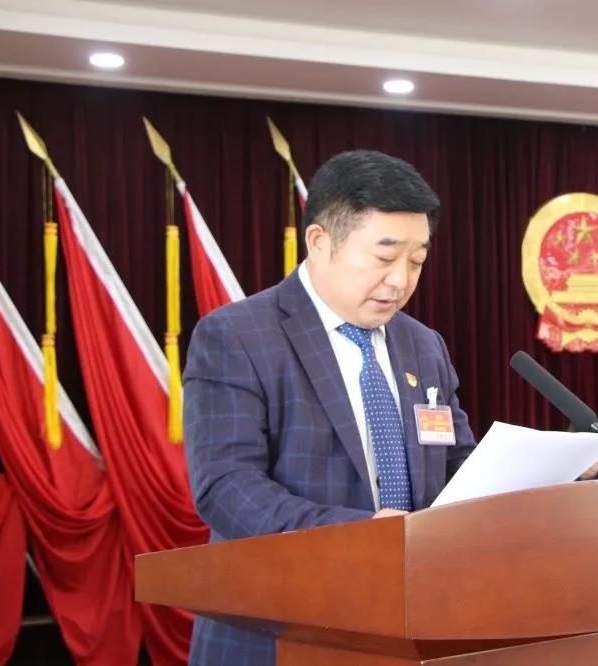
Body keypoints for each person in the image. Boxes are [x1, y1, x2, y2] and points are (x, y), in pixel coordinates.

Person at [182, 150, 476, 665]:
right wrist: (361, 537)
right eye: (384, 258)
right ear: (319, 241)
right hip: (278, 631)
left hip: (410, 626)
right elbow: (226, 486)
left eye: (417, 261)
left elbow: (455, 465)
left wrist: (538, 476)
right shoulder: (237, 336)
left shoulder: (424, 345)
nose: (401, 281)